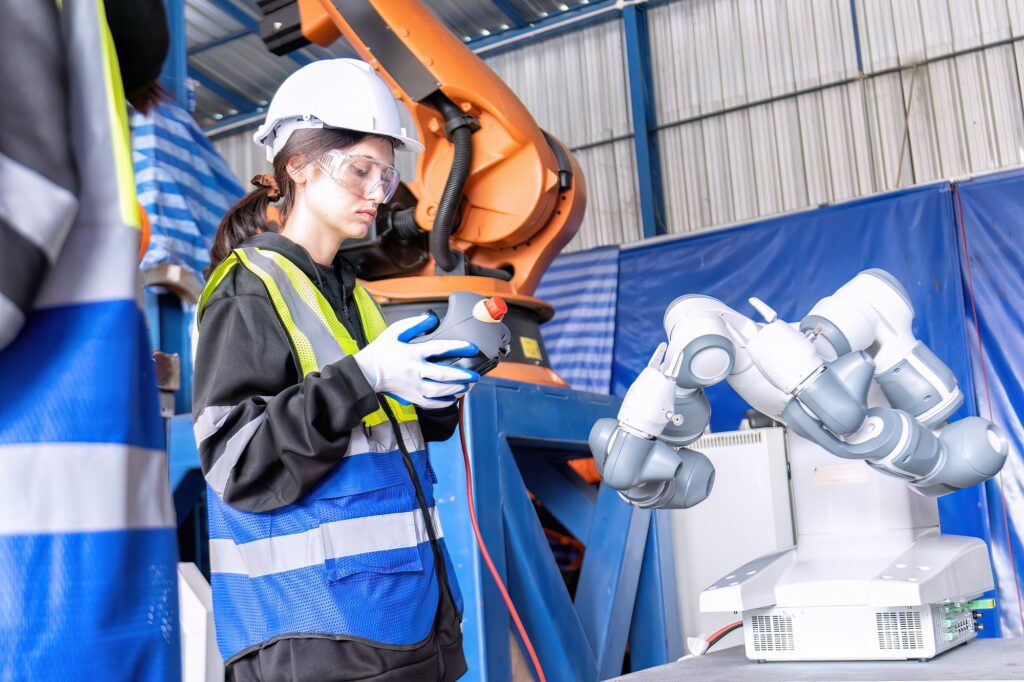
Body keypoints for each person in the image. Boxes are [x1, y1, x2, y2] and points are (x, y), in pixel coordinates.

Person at [192, 59, 476, 682]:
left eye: (387, 173)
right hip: (317, 637)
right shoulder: (249, 289)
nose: (380, 192)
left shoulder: (358, 295)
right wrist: (366, 376)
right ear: (297, 167)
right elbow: (236, 460)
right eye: (360, 170)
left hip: (405, 626)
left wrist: (432, 396)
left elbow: (376, 437)